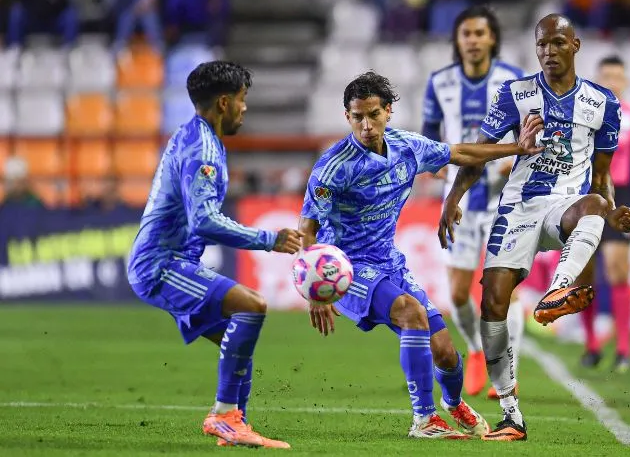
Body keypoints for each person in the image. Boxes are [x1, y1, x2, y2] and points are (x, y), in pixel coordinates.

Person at [298, 71, 544, 440]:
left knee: (445, 351)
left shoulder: (407, 147)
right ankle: (423, 419)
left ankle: (453, 402)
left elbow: (461, 152)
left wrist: (517, 148)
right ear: (347, 116)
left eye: (373, 115)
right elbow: (307, 229)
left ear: (389, 112)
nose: (366, 125)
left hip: (389, 262)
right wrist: (316, 288)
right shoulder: (334, 166)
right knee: (411, 314)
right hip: (344, 269)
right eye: (357, 117)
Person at [439, 14, 630, 441]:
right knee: (492, 307)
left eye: (557, 43)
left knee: (592, 201)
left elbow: (602, 176)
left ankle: (559, 288)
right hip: (517, 209)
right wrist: (453, 200)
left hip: (566, 206)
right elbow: (481, 153)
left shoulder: (603, 102)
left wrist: (610, 211)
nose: (549, 52)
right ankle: (511, 415)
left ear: (576, 45)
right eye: (542, 45)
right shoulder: (515, 94)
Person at [127, 61, 301, 449]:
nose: (245, 108)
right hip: (160, 263)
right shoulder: (202, 146)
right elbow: (204, 220)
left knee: (237, 339)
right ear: (224, 102)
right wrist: (269, 239)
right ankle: (223, 416)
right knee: (252, 306)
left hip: (173, 260)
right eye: (242, 100)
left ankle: (234, 424)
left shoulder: (196, 136)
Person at [421, 4, 526, 398]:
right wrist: (446, 165)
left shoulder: (514, 81)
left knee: (501, 289)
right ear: (458, 40)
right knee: (460, 293)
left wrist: (509, 160)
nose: (473, 40)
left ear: (492, 38)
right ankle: (478, 350)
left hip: (507, 199)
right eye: (466, 34)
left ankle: (506, 368)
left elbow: (532, 132)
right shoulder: (439, 82)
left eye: (480, 33)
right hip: (460, 197)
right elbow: (430, 135)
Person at [580, 55, 630, 373]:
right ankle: (591, 344)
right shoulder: (583, 117)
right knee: (584, 274)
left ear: (625, 82)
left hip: (620, 196)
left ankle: (624, 349)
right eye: (606, 76)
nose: (612, 81)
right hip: (585, 197)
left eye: (617, 76)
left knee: (617, 269)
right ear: (597, 81)